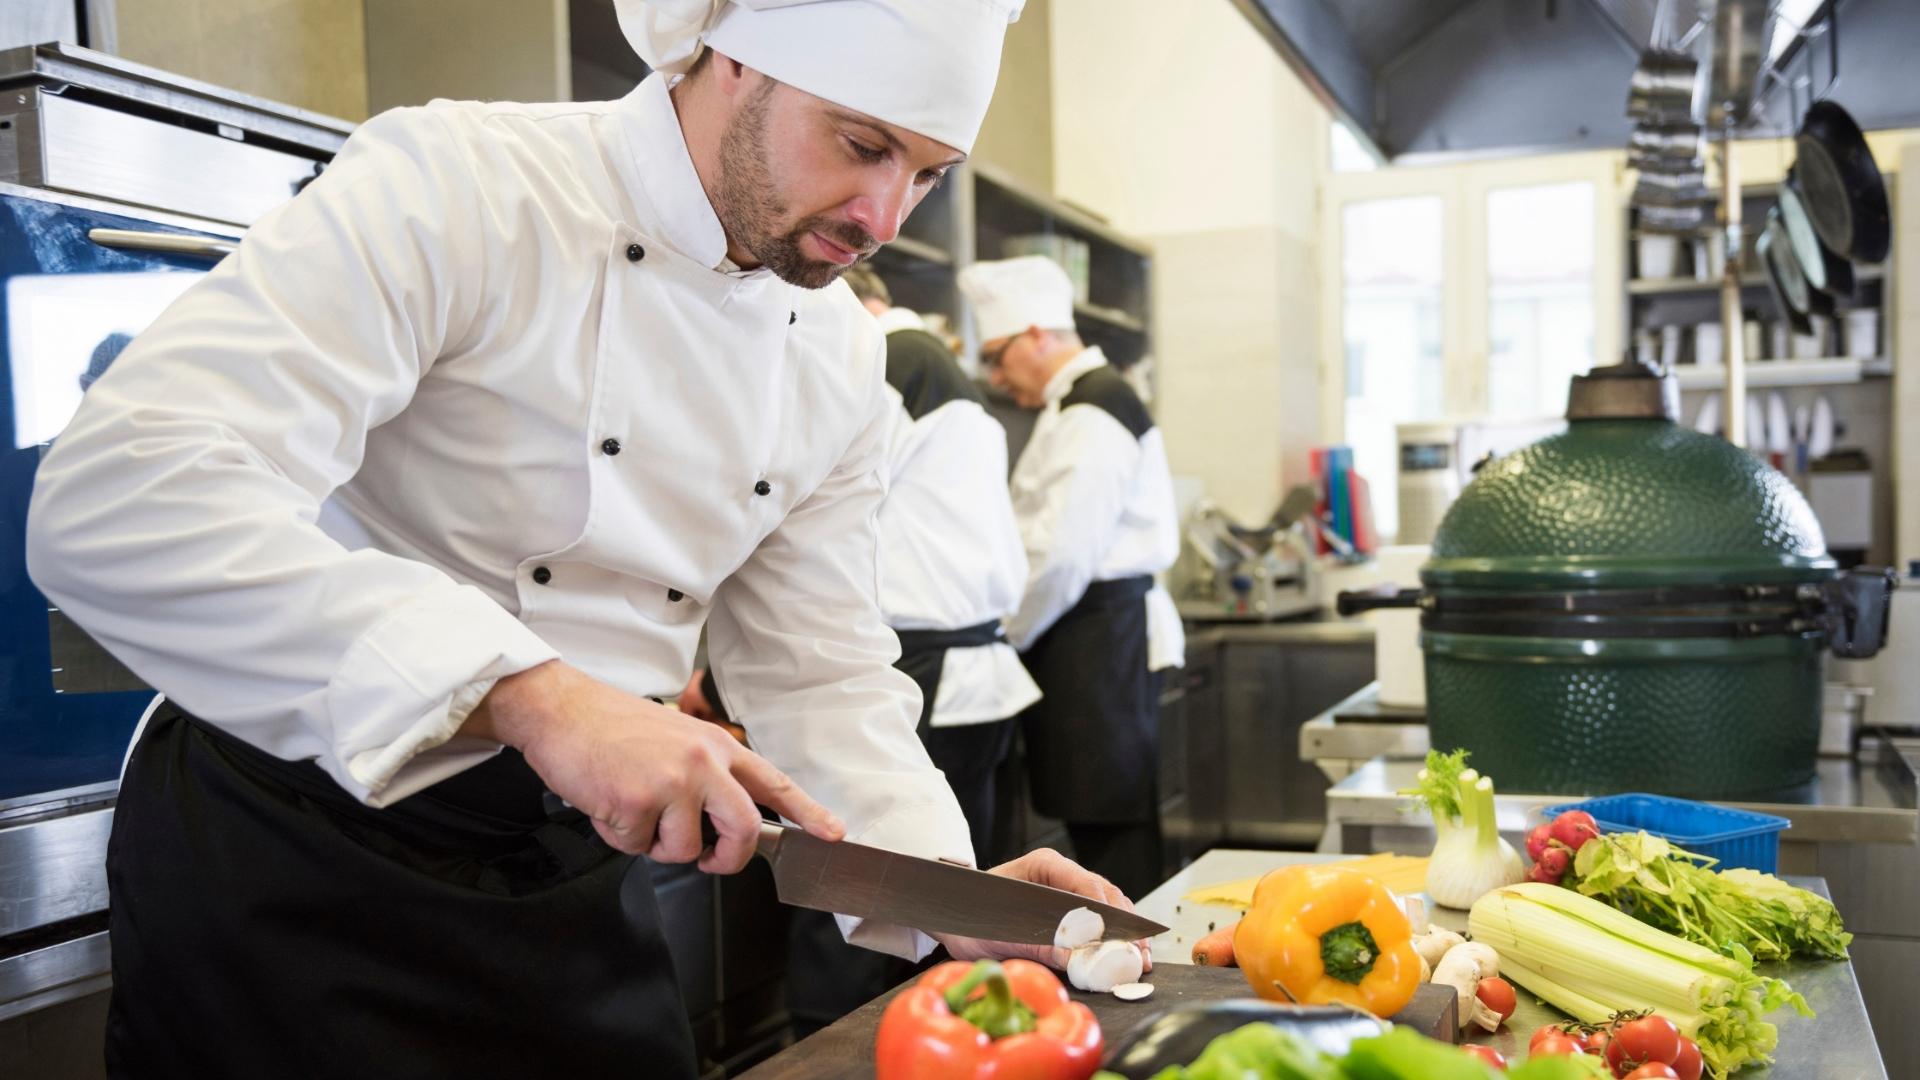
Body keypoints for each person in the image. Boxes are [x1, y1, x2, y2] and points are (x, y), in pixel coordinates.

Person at [24, 3, 1137, 1075]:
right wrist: (537, 695)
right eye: (862, 144)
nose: (886, 217)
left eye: (928, 174)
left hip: (567, 868)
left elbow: (821, 668)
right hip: (290, 850)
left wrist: (944, 890)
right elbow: (121, 492)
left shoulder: (840, 356)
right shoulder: (463, 186)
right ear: (733, 59)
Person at [692, 263, 1043, 1033]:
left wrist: (712, 688)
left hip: (906, 664)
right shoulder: (942, 375)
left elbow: (786, 549)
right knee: (903, 886)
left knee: (843, 884)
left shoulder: (877, 354)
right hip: (972, 668)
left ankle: (841, 1037)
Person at [958, 254, 1184, 900]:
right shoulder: (1078, 403)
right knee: (1103, 817)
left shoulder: (1093, 409)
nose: (997, 376)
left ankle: (1138, 974)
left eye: (998, 356)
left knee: (1108, 823)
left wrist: (1003, 635)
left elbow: (1060, 556)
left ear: (1037, 335)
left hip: (1093, 634)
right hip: (1091, 632)